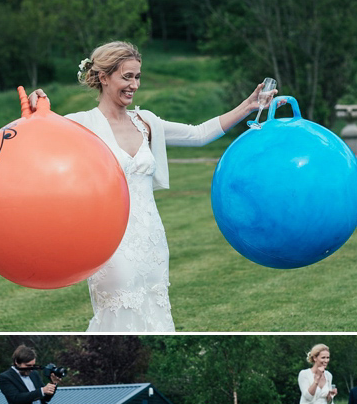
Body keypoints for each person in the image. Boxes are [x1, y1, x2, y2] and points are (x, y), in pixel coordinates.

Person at [35, 42, 271, 331]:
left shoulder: (146, 122)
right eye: (126, 77)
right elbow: (38, 143)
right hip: (108, 239)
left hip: (151, 238)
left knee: (155, 306)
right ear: (103, 77)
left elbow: (198, 134)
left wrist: (249, 106)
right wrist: (38, 111)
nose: (134, 85)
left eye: (137, 76)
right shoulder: (80, 125)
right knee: (119, 311)